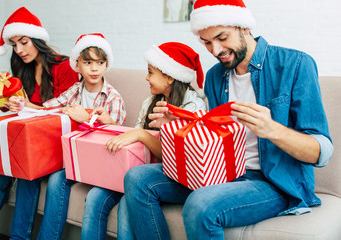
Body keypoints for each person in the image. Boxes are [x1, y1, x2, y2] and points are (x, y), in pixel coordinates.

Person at [119, 0, 334, 239]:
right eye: (207, 42)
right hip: (221, 171)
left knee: (200, 203)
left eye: (222, 38)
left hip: (273, 182)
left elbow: (321, 152)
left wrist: (273, 130)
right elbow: (211, 137)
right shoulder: (215, 76)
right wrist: (180, 122)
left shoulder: (295, 65)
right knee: (137, 178)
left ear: (243, 27)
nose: (215, 50)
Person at [0, 7, 79, 240]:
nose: (19, 50)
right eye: (14, 45)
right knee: (1, 161)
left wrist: (28, 107)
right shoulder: (22, 68)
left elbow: (66, 114)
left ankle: (0, 229)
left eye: (24, 42)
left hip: (52, 141)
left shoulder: (64, 66)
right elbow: (8, 107)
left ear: (37, 39)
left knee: (26, 170)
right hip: (28, 139)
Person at [81, 42, 206, 240]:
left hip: (172, 175)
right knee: (95, 196)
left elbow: (176, 156)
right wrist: (114, 125)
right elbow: (133, 139)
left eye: (150, 72)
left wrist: (142, 135)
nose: (146, 78)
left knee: (126, 205)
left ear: (169, 76)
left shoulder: (193, 106)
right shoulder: (151, 101)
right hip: (137, 167)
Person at [11, 33, 126, 240]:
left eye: (100, 62)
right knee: (42, 173)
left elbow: (117, 135)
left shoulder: (112, 97)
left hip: (99, 159)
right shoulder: (74, 91)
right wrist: (24, 105)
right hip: (74, 157)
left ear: (106, 65)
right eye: (88, 62)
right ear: (77, 66)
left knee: (57, 179)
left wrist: (89, 117)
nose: (94, 68)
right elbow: (47, 109)